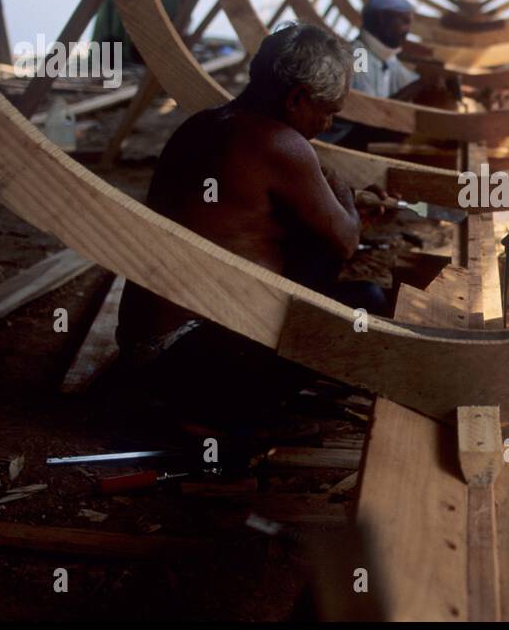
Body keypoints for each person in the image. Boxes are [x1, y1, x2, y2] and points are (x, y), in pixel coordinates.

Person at [116, 23, 388, 400]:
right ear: (296, 98)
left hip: (144, 346)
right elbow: (345, 241)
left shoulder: (201, 124)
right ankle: (219, 417)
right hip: (185, 361)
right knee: (366, 303)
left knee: (312, 256)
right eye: (327, 113)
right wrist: (341, 188)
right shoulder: (281, 143)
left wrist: (341, 202)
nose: (326, 126)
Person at [321, 0, 449, 148]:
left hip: (365, 140)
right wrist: (421, 84)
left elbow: (409, 82)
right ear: (382, 19)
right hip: (345, 143)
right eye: (404, 21)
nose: (407, 31)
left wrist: (436, 82)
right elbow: (368, 116)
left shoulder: (387, 58)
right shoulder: (358, 55)